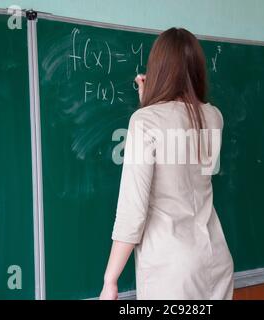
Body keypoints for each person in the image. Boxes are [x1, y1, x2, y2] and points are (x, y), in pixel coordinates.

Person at [99, 27, 234, 300]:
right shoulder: (213, 117)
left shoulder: (145, 122)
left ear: (158, 68)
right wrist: (150, 106)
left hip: (172, 269)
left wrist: (110, 280)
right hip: (215, 260)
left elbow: (132, 211)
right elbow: (185, 157)